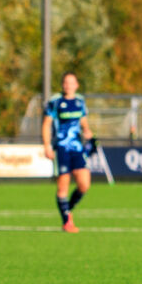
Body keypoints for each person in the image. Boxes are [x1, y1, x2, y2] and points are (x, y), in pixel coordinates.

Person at [41, 72, 94, 233]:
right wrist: (47, 146)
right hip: (61, 148)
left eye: (71, 82)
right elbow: (46, 124)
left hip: (77, 148)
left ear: (76, 85)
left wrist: (87, 130)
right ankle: (67, 222)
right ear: (62, 84)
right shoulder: (55, 101)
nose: (68, 85)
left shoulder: (80, 101)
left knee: (84, 184)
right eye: (66, 82)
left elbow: (83, 120)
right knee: (63, 186)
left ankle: (67, 209)